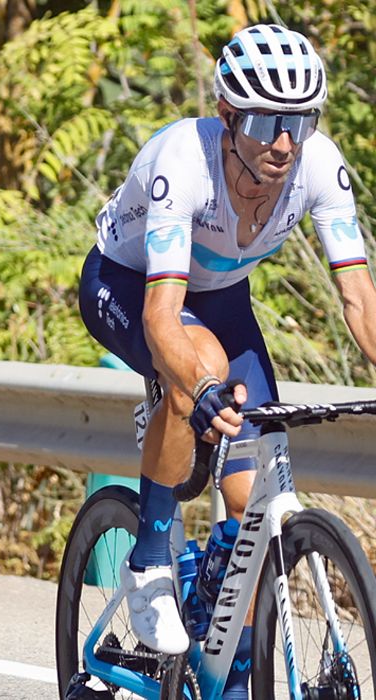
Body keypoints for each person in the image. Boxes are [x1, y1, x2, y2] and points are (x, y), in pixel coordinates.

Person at [78, 24, 370, 697]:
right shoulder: (182, 160)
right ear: (228, 116)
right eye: (267, 122)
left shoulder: (319, 167)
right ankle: (150, 560)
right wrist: (202, 386)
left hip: (222, 298)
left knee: (248, 506)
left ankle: (222, 655)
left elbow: (359, 297)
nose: (285, 142)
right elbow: (161, 317)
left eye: (300, 120)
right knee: (197, 365)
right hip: (127, 283)